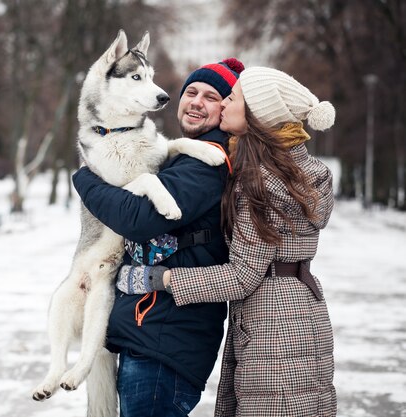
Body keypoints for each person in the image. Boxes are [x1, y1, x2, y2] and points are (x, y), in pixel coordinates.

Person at [114, 67, 338, 416]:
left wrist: (159, 279)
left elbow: (242, 275)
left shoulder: (261, 183)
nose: (224, 105)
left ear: (256, 114)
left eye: (231, 98)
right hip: (298, 310)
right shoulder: (292, 170)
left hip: (274, 327)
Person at [72, 58, 245, 417]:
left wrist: (85, 178)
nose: (196, 101)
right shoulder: (184, 157)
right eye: (191, 92)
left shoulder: (204, 163)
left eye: (211, 97)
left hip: (166, 341)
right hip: (151, 333)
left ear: (227, 108)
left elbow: (138, 218)